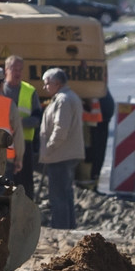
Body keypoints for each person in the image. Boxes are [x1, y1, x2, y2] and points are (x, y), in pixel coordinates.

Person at [39, 68, 84, 229]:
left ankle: (61, 228)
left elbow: (60, 129)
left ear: (56, 83)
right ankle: (68, 227)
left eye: (47, 83)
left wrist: (49, 148)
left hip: (61, 154)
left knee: (58, 196)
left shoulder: (63, 100)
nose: (45, 87)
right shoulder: (68, 97)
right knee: (66, 194)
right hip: (66, 153)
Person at [1, 55, 42, 198]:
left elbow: (37, 118)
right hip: (3, 145)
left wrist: (19, 123)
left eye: (20, 70)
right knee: (4, 184)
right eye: (14, 69)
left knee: (24, 185)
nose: (17, 73)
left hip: (25, 143)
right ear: (6, 70)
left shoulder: (29, 91)